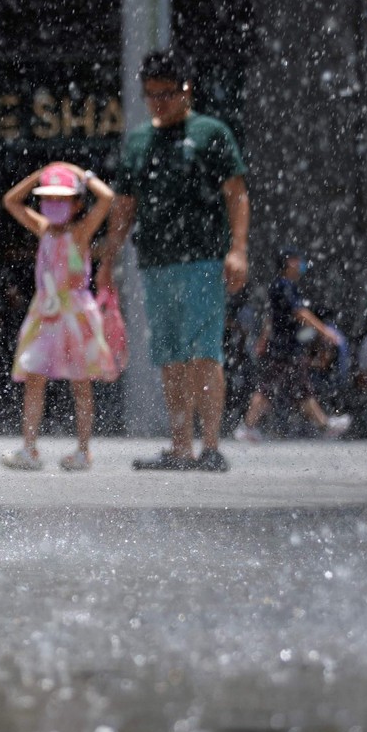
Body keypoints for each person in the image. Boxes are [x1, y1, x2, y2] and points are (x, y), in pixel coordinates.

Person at [97, 50, 249, 472]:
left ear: (187, 90)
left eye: (166, 93)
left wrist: (238, 248)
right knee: (169, 354)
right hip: (156, 263)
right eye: (151, 94)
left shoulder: (210, 132)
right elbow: (125, 205)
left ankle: (212, 446)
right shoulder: (140, 140)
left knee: (203, 350)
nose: (158, 101)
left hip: (203, 259)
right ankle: (181, 446)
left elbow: (235, 192)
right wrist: (108, 260)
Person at [0, 162, 118, 471]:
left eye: (62, 199)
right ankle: (30, 448)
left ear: (76, 203)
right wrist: (38, 176)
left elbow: (106, 198)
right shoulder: (42, 228)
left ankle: (83, 450)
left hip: (75, 314)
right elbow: (11, 201)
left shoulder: (80, 232)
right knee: (34, 377)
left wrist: (79, 174)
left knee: (81, 381)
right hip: (46, 310)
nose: (53, 205)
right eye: (48, 198)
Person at [235, 248, 351, 441]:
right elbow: (300, 313)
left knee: (297, 389)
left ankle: (323, 424)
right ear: (289, 262)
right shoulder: (284, 286)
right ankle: (248, 427)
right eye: (298, 260)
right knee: (271, 389)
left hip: (284, 347)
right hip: (284, 349)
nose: (302, 264)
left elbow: (272, 318)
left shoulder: (280, 286)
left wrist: (264, 339)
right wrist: (325, 331)